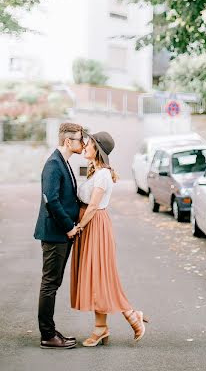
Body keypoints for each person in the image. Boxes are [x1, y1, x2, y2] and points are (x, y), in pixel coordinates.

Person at [71, 131, 148, 347]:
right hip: (91, 224)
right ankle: (102, 327)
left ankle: (131, 315)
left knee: (101, 277)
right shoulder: (95, 171)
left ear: (98, 149)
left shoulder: (103, 174)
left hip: (94, 225)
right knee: (97, 277)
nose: (85, 146)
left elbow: (94, 206)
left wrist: (79, 227)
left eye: (89, 144)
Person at [34, 122, 85, 349]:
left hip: (61, 234)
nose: (83, 144)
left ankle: (51, 331)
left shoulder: (63, 162)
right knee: (50, 283)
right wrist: (68, 227)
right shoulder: (54, 164)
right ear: (68, 141)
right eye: (80, 140)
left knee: (53, 282)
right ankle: (47, 335)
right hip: (56, 234)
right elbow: (51, 200)